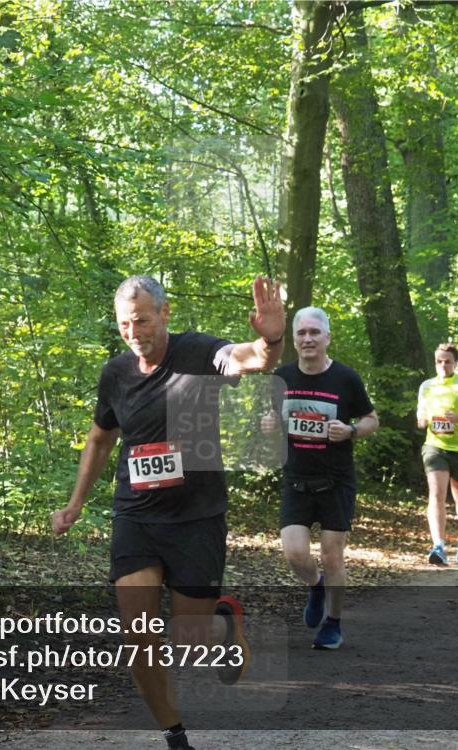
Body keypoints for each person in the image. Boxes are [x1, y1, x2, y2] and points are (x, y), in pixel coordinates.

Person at [51, 275, 284, 750]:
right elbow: (100, 437)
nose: (134, 331)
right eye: (124, 323)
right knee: (138, 636)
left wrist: (271, 338)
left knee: (189, 642)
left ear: (165, 313)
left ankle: (222, 623)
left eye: (142, 320)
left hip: (197, 516)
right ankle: (174, 736)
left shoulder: (199, 353)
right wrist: (75, 502)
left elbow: (251, 359)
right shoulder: (115, 374)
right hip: (136, 515)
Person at [260, 307, 378, 650]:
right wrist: (268, 426)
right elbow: (271, 420)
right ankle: (316, 586)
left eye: (314, 332)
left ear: (327, 337)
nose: (308, 339)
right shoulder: (281, 378)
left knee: (332, 555)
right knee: (295, 555)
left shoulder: (345, 379)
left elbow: (372, 420)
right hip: (296, 478)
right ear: (294, 339)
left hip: (336, 481)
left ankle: (333, 623)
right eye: (301, 333)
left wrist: (352, 430)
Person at [417, 343, 458, 566]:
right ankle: (439, 545)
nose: (443, 365)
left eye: (447, 361)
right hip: (435, 447)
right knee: (436, 493)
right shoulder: (427, 386)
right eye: (439, 361)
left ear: (455, 363)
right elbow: (421, 416)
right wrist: (424, 420)